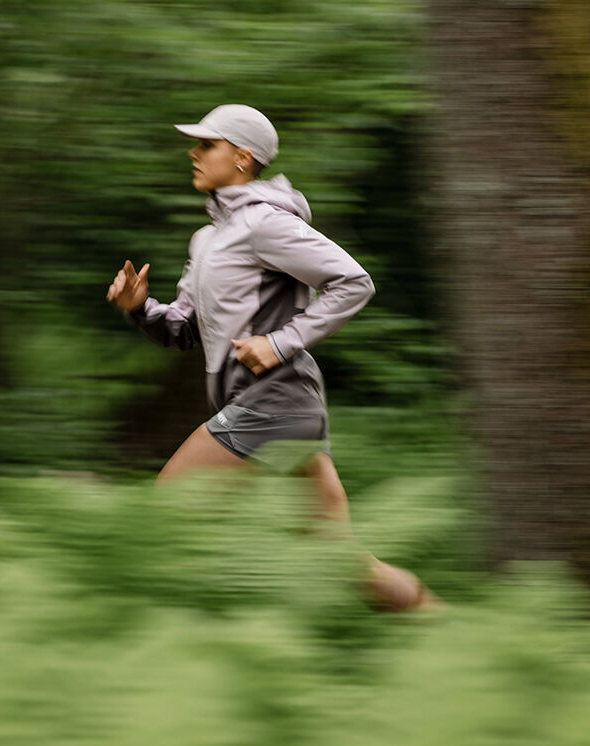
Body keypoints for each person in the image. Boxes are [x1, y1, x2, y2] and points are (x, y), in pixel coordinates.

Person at [107, 104, 440, 612]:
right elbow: (186, 329)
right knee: (342, 560)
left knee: (163, 521)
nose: (194, 154)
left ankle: (183, 638)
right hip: (283, 408)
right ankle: (442, 626)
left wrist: (281, 341)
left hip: (273, 403)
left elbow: (353, 282)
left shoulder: (265, 224)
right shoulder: (207, 238)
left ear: (242, 158)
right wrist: (139, 309)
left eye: (207, 145)